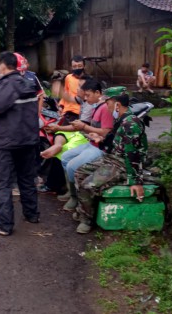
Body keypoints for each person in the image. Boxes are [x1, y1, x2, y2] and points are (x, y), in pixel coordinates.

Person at [73, 88, 148, 234]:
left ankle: (86, 220)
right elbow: (117, 144)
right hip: (112, 158)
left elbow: (133, 154)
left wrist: (136, 182)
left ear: (117, 105)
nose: (106, 107)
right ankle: (84, 209)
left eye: (108, 104)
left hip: (122, 164)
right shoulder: (121, 120)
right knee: (79, 172)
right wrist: (100, 139)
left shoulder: (130, 123)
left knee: (88, 185)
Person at [0, 52, 39, 236]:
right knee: (26, 179)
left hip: (6, 142)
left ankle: (4, 225)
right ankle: (32, 215)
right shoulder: (28, 83)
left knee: (2, 183)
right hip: (28, 140)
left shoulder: (7, 85)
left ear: (3, 65)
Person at [59, 80, 115, 212]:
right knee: (65, 157)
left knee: (72, 166)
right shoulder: (96, 106)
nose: (85, 98)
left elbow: (106, 132)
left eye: (88, 95)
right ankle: (72, 193)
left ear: (98, 93)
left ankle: (77, 199)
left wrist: (84, 127)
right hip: (91, 142)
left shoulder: (105, 108)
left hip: (99, 147)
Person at [58, 55, 87, 123]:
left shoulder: (88, 80)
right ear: (71, 67)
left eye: (79, 66)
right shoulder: (68, 78)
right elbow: (66, 92)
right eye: (74, 66)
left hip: (80, 113)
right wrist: (61, 106)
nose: (77, 68)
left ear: (84, 66)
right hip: (67, 112)